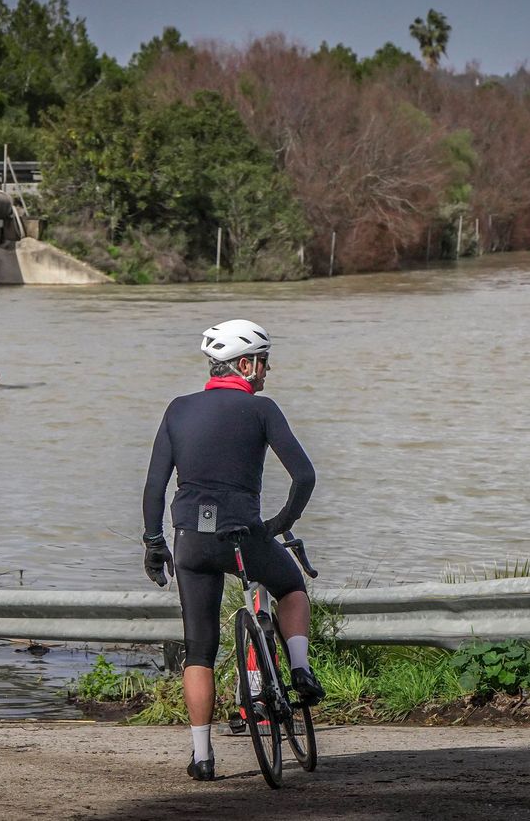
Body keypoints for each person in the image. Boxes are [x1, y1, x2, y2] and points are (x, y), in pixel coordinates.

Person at [140, 319, 321, 782]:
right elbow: (304, 477)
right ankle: (299, 671)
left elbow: (154, 486)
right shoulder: (261, 409)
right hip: (244, 538)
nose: (266, 372)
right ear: (245, 364)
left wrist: (154, 543)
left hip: (190, 543)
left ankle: (202, 757)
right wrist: (279, 525)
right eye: (263, 363)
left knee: (199, 650)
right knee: (292, 589)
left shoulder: (177, 409)